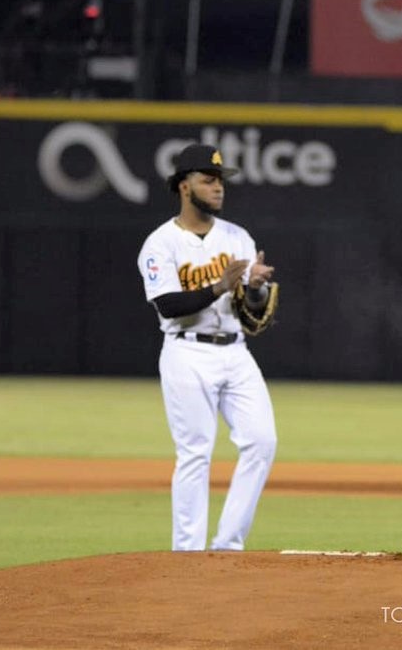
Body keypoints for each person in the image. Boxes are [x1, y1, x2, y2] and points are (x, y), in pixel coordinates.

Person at [137, 144, 279, 550]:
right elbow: (168, 304)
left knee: (262, 441)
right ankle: (187, 552)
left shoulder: (238, 237)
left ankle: (228, 545)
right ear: (184, 187)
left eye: (220, 181)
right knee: (195, 452)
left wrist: (253, 289)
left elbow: (253, 312)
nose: (218, 187)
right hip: (187, 351)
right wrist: (219, 284)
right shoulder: (160, 243)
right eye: (208, 180)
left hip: (235, 351)